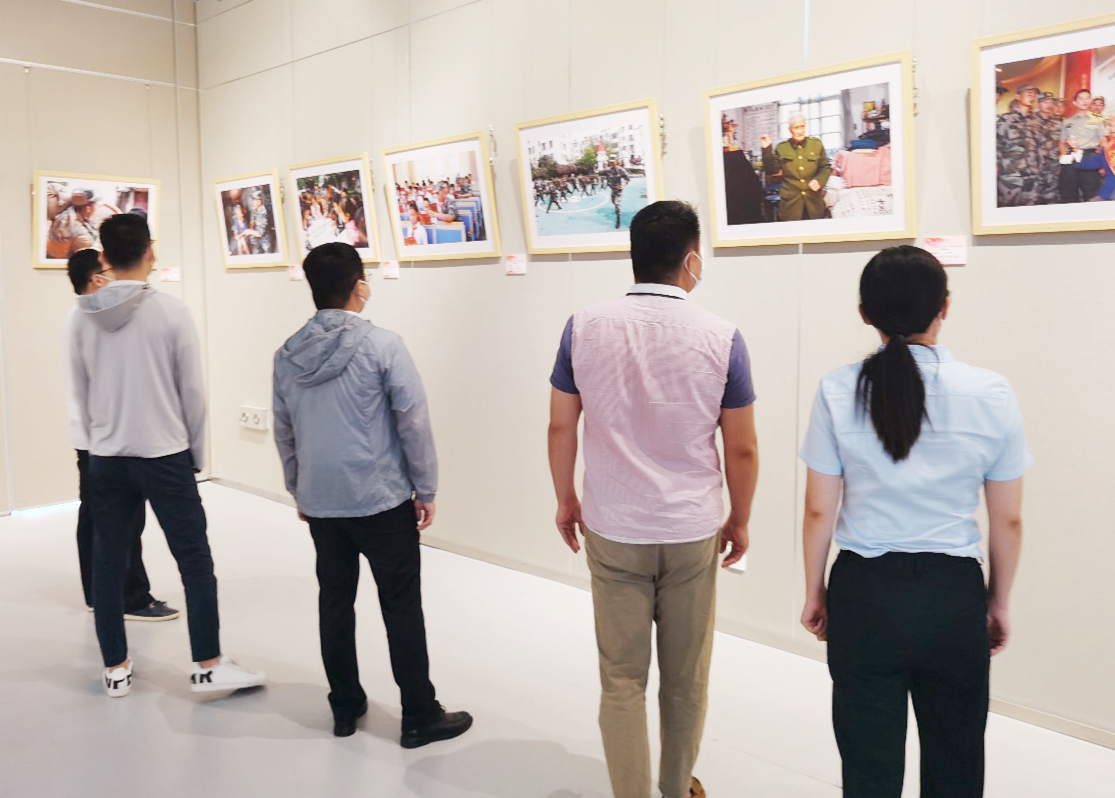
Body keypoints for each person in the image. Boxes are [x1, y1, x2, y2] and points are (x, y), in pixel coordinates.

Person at [799, 245, 1029, 798]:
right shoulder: (991, 391)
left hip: (864, 594)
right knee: (956, 764)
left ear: (864, 314)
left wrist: (815, 591)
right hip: (953, 596)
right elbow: (1009, 520)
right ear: (944, 307)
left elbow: (818, 509)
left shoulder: (837, 389)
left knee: (868, 766)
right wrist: (997, 602)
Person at [548, 201, 759, 798]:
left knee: (621, 678)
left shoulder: (582, 327)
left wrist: (566, 498)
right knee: (686, 677)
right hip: (691, 528)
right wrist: (740, 520)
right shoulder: (722, 337)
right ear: (691, 259)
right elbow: (742, 448)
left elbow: (561, 425)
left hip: (613, 524)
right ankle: (674, 787)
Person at [272, 242, 472, 744]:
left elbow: (284, 430)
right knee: (400, 605)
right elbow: (412, 420)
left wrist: (298, 486)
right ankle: (418, 715)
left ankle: (344, 707)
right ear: (359, 286)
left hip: (322, 500)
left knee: (335, 603)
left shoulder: (287, 355)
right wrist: (425, 486)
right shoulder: (384, 346)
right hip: (380, 497)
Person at [69, 214, 266, 698]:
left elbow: (79, 392)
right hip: (165, 454)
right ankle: (208, 664)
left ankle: (115, 668)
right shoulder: (172, 313)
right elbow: (191, 392)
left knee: (108, 563)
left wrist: (95, 447)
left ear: (104, 257)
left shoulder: (80, 317)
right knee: (194, 560)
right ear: (150, 252)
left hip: (107, 456)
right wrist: (195, 452)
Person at [64, 249, 178, 622]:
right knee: (121, 521)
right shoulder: (89, 319)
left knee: (96, 517)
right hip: (103, 440)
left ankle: (99, 593)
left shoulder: (82, 318)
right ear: (96, 280)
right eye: (111, 270)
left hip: (96, 437)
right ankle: (130, 597)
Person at [761, 115, 832, 220]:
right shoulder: (782, 147)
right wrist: (766, 149)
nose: (800, 131)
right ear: (790, 129)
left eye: (802, 127)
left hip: (813, 202)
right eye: (796, 128)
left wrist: (819, 181)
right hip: (791, 204)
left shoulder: (816, 144)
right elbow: (770, 170)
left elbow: (825, 167)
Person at [47, 187, 122, 260]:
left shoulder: (68, 214)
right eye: (95, 206)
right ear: (88, 208)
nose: (96, 208)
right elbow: (89, 257)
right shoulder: (79, 230)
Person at [996, 84, 1038, 206]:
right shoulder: (1006, 119)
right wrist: (995, 165)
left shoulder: (1035, 122)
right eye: (1028, 94)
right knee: (1008, 206)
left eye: (1033, 95)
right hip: (1011, 173)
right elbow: (997, 144)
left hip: (1031, 174)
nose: (1031, 96)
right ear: (1018, 96)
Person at [1059, 89, 1105, 202]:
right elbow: (1061, 142)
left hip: (1090, 157)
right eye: (1081, 98)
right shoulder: (1067, 122)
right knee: (1068, 193)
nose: (1084, 101)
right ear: (1075, 102)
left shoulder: (1098, 120)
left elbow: (1103, 141)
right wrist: (1064, 155)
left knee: (1091, 194)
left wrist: (1104, 162)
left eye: (1087, 98)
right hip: (1072, 158)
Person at [1028, 92, 1062, 204]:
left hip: (1052, 168)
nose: (1049, 105)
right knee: (1032, 199)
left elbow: (1062, 144)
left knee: (1051, 199)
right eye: (1045, 102)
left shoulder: (1058, 124)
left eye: (1051, 102)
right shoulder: (1029, 122)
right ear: (1038, 103)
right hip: (1033, 167)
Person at [600, 160, 631, 228]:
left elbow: (628, 178)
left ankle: (618, 220)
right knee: (613, 201)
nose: (612, 163)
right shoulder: (608, 170)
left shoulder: (620, 169)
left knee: (617, 203)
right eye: (611, 162)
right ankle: (617, 210)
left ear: (616, 162)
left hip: (619, 189)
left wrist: (623, 184)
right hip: (613, 189)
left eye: (613, 162)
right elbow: (600, 172)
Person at [246, 189, 274, 254]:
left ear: (259, 202)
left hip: (265, 236)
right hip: (257, 234)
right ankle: (259, 250)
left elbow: (260, 233)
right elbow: (252, 221)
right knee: (252, 239)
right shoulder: (254, 209)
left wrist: (249, 231)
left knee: (266, 248)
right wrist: (251, 229)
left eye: (254, 201)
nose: (252, 203)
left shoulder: (263, 213)